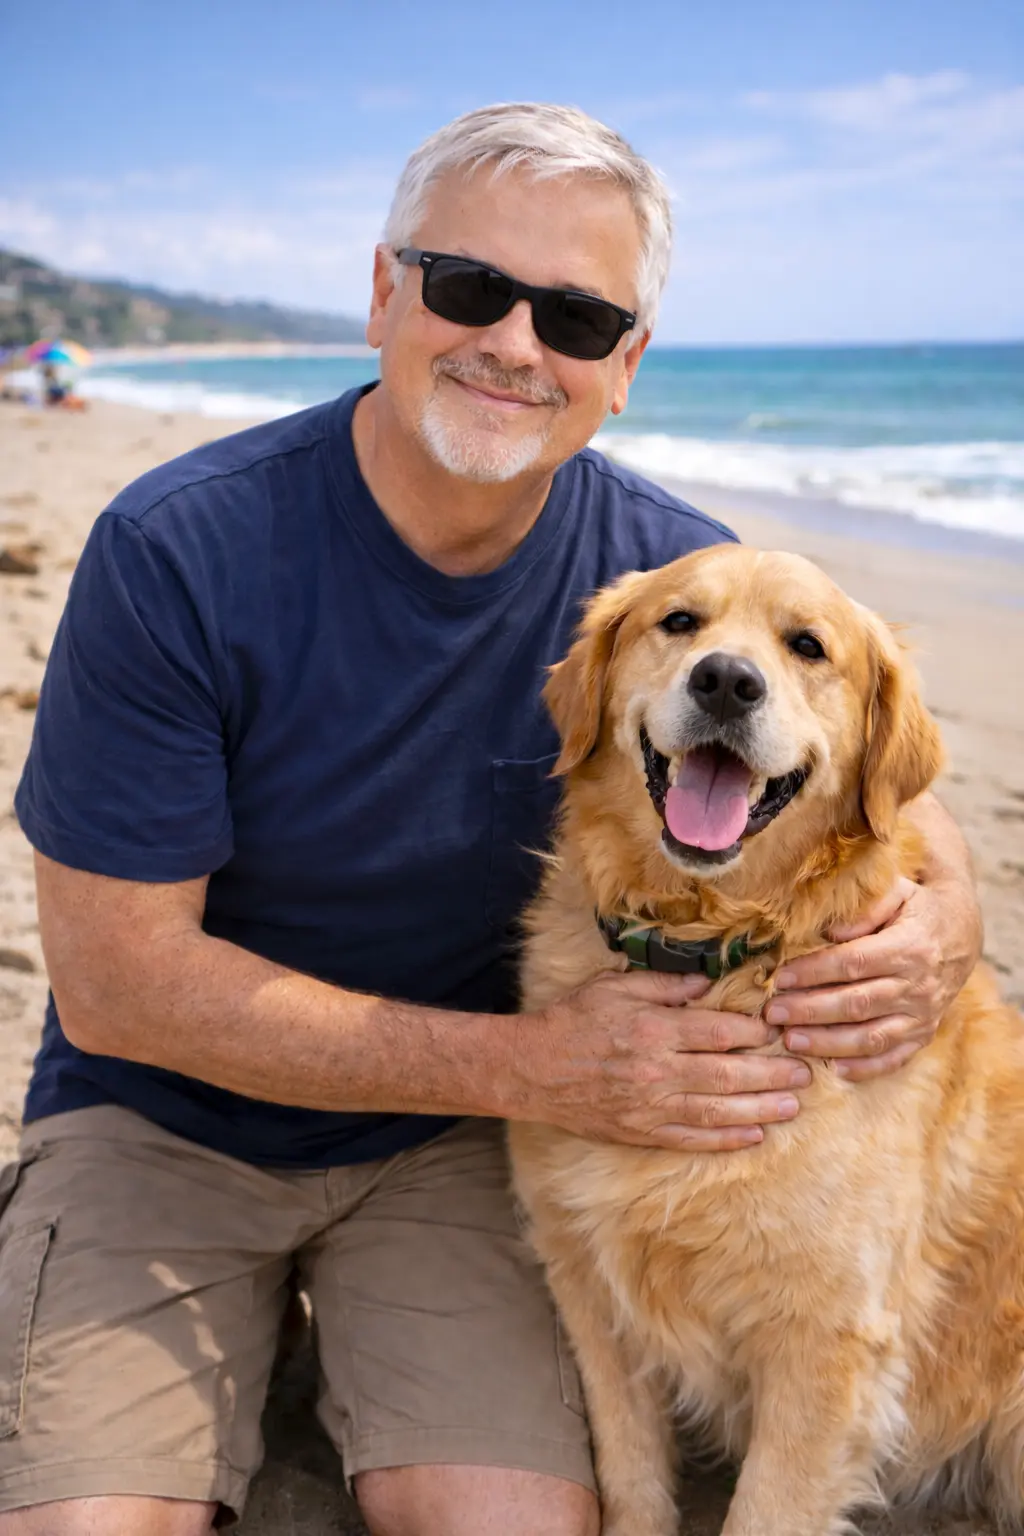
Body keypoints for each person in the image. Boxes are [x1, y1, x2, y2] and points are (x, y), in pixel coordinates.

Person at [0, 104, 981, 1536]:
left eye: (579, 317)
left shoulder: (672, 581)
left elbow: (883, 781)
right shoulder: (177, 549)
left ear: (627, 366)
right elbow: (112, 983)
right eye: (469, 287)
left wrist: (945, 928)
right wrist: (548, 1069)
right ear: (387, 292)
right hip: (168, 1123)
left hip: (457, 1141)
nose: (518, 345)